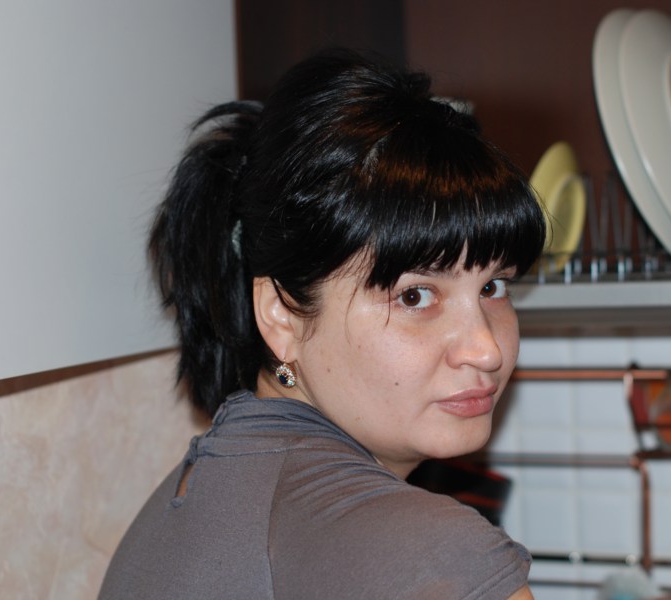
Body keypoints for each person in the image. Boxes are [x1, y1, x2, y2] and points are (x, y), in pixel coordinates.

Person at [99, 48, 546, 600]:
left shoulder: (178, 506)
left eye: (494, 287)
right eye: (415, 296)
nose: (485, 349)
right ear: (281, 314)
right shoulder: (434, 556)